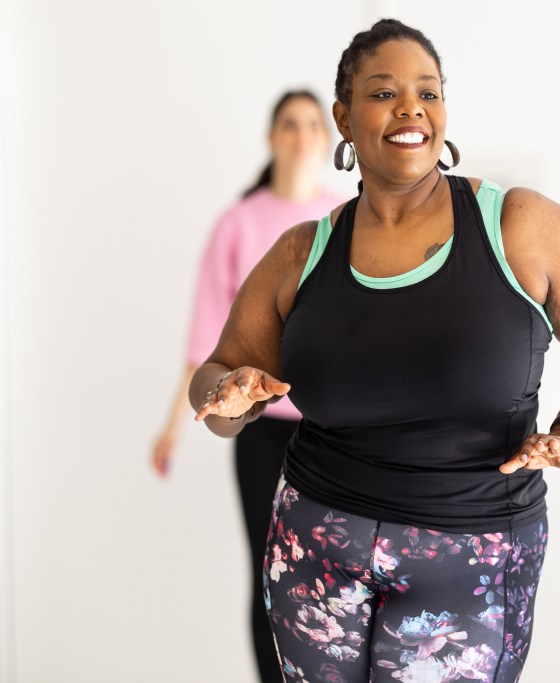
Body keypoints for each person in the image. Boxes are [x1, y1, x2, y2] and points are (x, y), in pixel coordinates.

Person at [189, 18, 560, 683]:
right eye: (384, 93)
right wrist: (228, 394)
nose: (411, 108)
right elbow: (219, 387)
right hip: (314, 551)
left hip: (472, 556)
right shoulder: (301, 253)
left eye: (428, 93)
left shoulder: (517, 227)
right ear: (344, 117)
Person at [153, 89, 347, 683]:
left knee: (337, 574)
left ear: (328, 136)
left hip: (334, 433)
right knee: (271, 575)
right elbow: (205, 344)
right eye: (289, 124)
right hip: (261, 436)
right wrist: (170, 431)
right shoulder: (238, 223)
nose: (302, 134)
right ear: (272, 138)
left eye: (313, 123)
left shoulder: (346, 216)